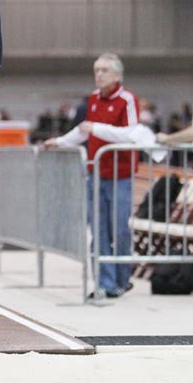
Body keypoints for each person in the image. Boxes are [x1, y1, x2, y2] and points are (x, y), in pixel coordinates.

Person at [45, 53, 139, 299]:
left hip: (121, 175)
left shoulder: (127, 99)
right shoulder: (93, 99)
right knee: (99, 230)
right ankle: (104, 283)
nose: (99, 75)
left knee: (119, 229)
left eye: (104, 70)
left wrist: (97, 129)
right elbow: (83, 130)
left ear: (117, 75)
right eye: (96, 70)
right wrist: (60, 141)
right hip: (96, 173)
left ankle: (121, 279)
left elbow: (131, 134)